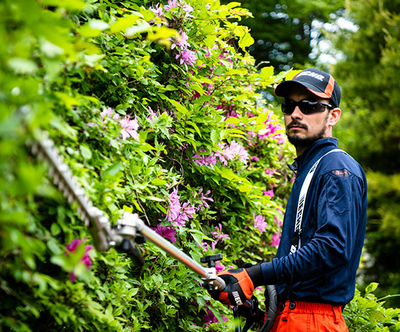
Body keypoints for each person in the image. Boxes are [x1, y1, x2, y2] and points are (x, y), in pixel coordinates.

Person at [210, 68, 367, 331]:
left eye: (308, 105)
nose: (296, 113)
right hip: (291, 316)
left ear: (333, 116)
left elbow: (332, 249)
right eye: (289, 105)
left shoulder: (336, 167)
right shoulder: (310, 168)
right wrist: (249, 291)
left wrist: (254, 276)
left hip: (315, 320)